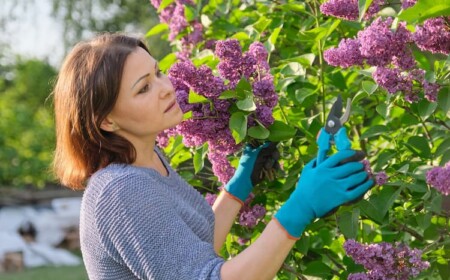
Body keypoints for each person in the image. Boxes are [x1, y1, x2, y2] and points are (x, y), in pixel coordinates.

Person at [52, 33, 374, 280]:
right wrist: (299, 208)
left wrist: (236, 189)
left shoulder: (148, 159)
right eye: (143, 88)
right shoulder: (121, 191)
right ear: (107, 120)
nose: (165, 88)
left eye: (158, 73)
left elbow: (191, 252)